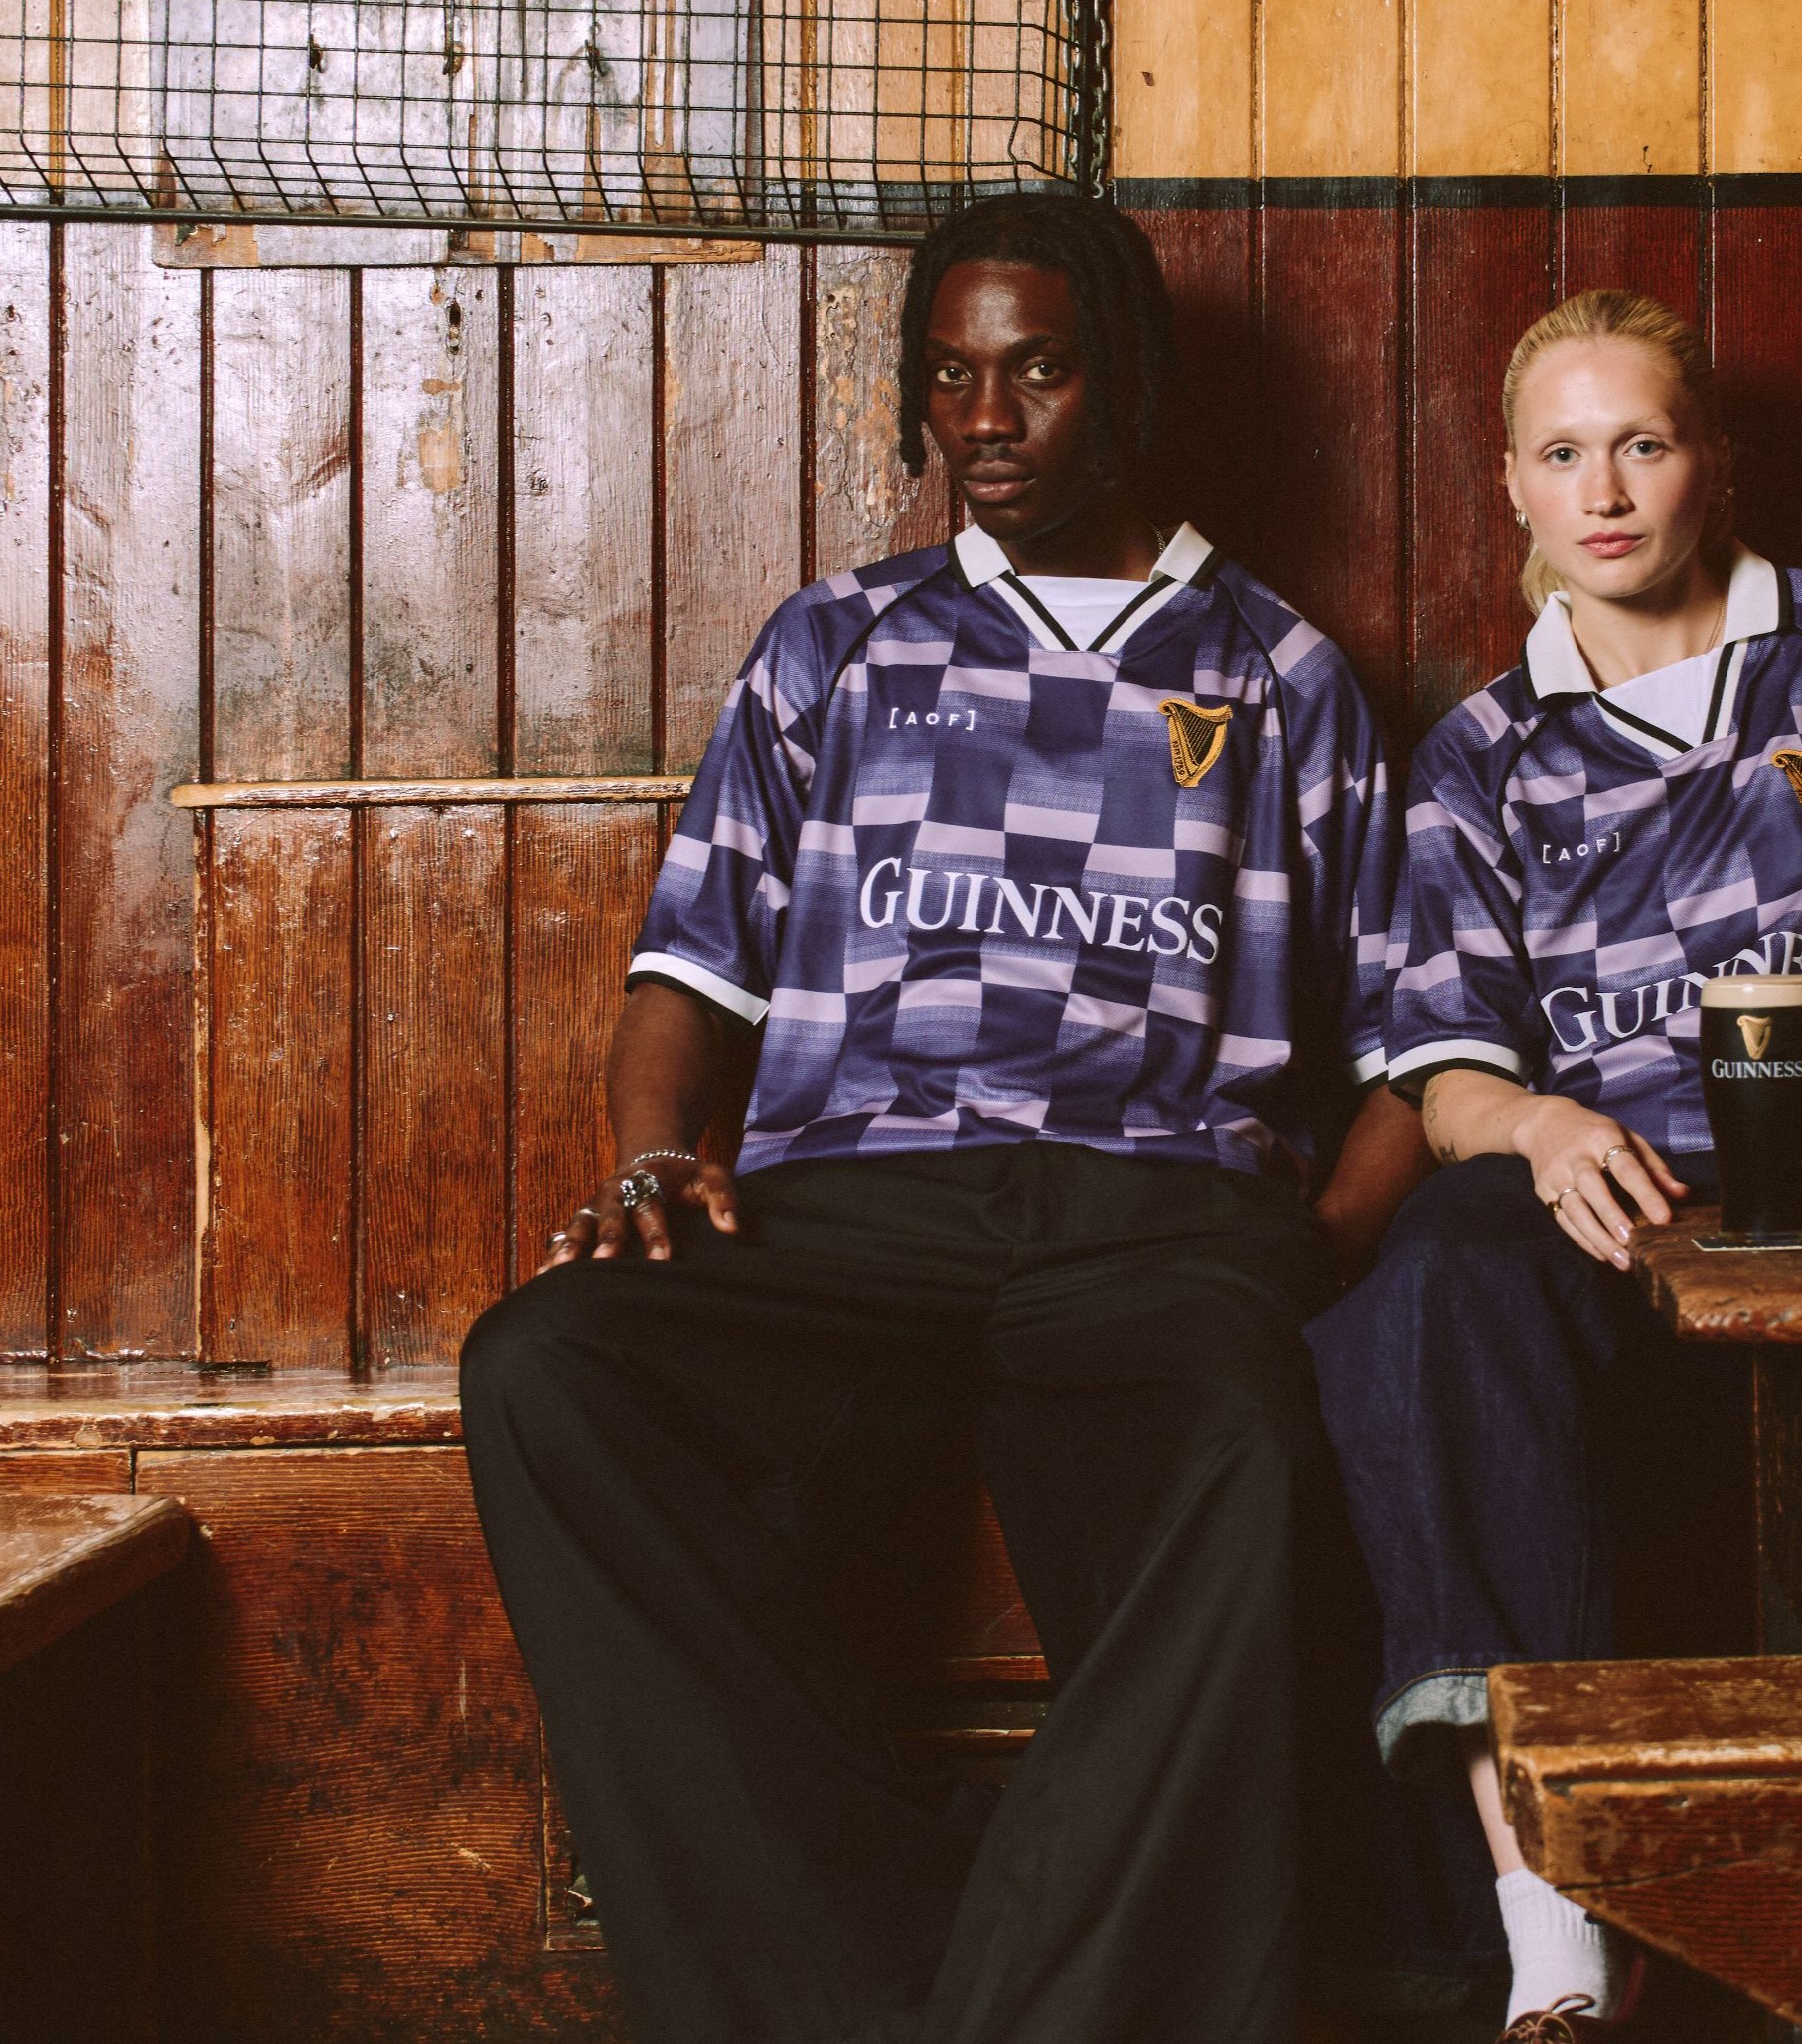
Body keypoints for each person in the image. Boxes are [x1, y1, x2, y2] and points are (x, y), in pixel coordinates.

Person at [459, 191, 1427, 2044]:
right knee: (546, 1368)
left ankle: (1024, 2008)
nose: (984, 416)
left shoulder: (1277, 670)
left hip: (1158, 1214)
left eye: (1037, 370)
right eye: (948, 376)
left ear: (1122, 380)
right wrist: (656, 1151)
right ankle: (859, 1967)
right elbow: (693, 963)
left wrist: (1311, 1252)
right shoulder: (838, 641)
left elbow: (1410, 1044)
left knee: (1247, 1453)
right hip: (859, 1215)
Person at [1307, 289, 1802, 2040]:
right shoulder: (1480, 756)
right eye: (1565, 453)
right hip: (1610, 1200)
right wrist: (1535, 1121)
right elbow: (1438, 1071)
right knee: (1424, 1288)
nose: (1607, 490)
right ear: (1508, 487)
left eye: (1642, 444)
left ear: (1707, 464)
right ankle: (1553, 1920)